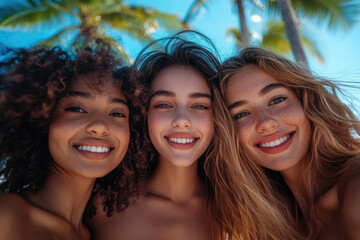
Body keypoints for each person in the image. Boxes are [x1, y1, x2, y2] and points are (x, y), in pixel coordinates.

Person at [89, 31, 305, 240]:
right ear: (143, 113)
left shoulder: (255, 208)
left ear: (218, 118)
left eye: (199, 105)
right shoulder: (101, 208)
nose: (182, 120)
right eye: (164, 104)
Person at [0, 44, 147, 239]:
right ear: (42, 119)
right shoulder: (7, 214)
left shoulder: (93, 232)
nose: (100, 126)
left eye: (117, 113)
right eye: (77, 109)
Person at [218, 46, 360, 239]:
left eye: (277, 100)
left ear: (306, 101)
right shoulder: (260, 225)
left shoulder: (353, 182)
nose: (265, 123)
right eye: (241, 114)